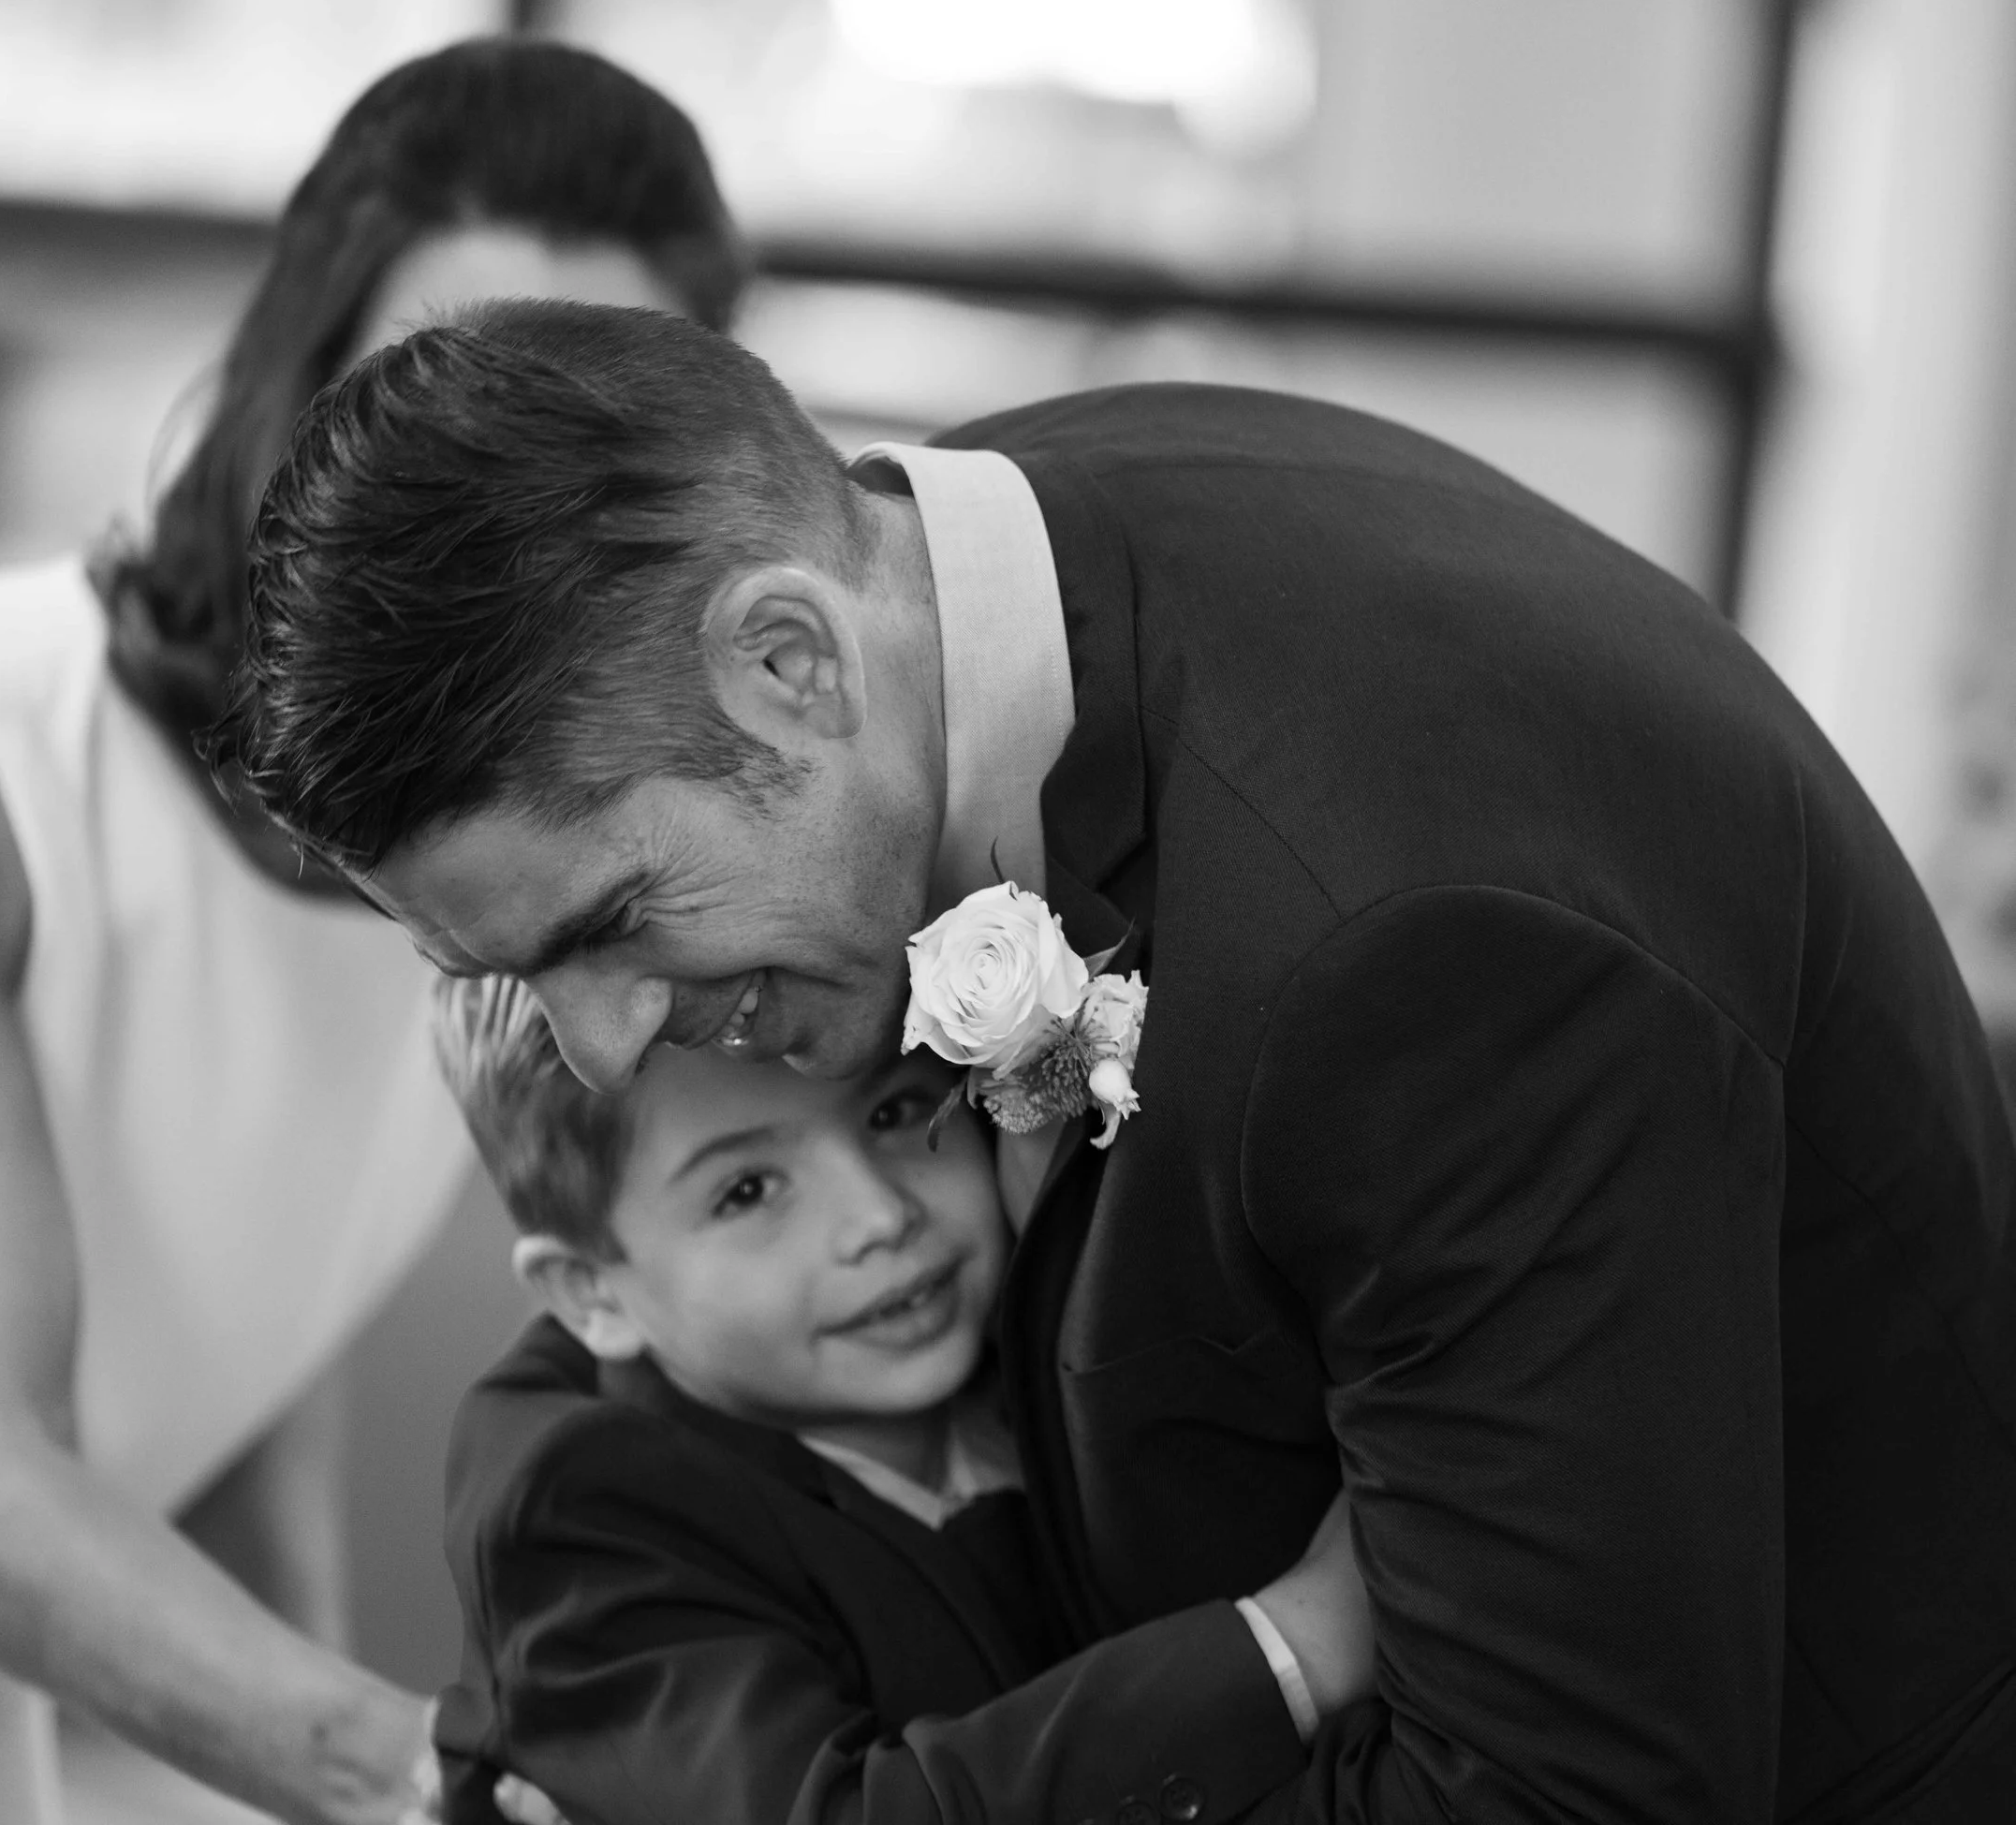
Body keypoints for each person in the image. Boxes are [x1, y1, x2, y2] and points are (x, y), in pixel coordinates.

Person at [225, 302, 2016, 1820]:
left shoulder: (1416, 955)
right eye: (511, 974)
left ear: (788, 662)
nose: (603, 1045)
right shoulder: (964, 564)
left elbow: (1552, 1797)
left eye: (615, 921)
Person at [0, 49, 745, 1825]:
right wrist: (417, 1778)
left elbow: (238, 1359)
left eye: (582, 455)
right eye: (429, 407)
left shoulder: (490, 874)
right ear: (284, 391)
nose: (492, 519)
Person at [429, 979, 1369, 1825]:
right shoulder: (575, 1510)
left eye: (895, 1110)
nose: (880, 1216)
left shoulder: (1046, 1306)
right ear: (592, 1294)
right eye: (747, 1190)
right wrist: (1296, 1646)